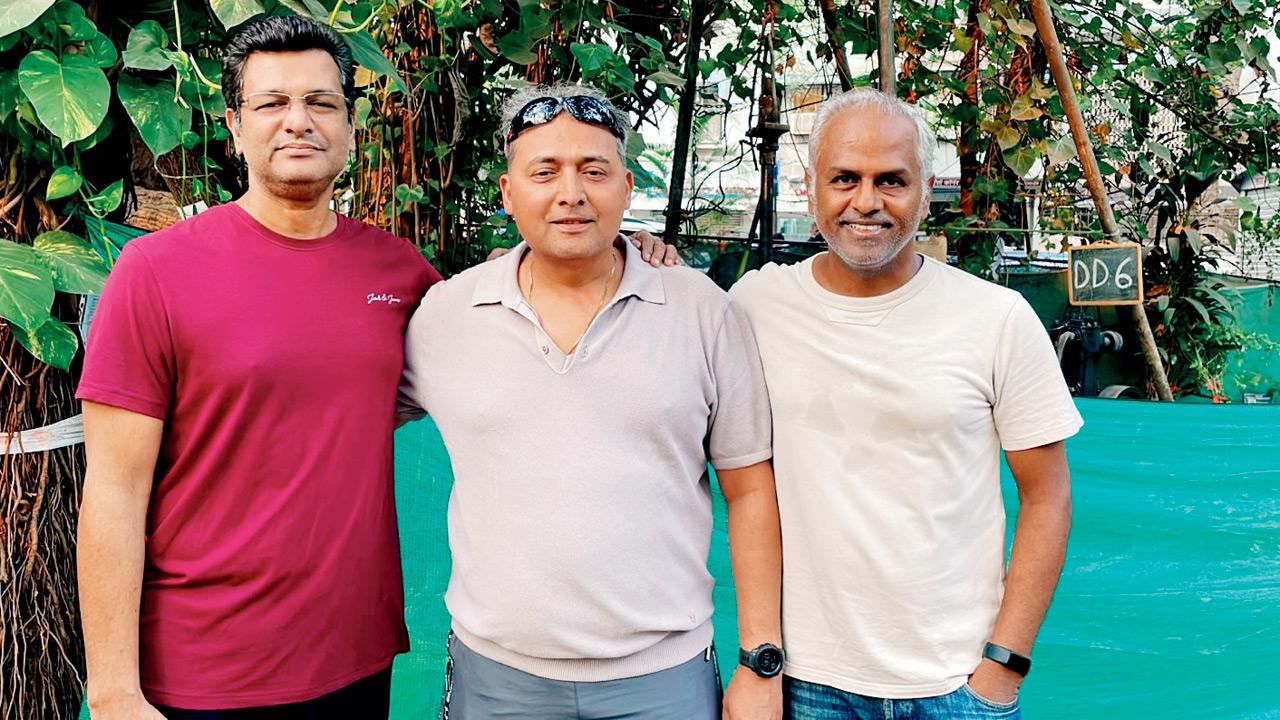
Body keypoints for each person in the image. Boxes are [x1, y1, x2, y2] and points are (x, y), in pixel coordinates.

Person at [75, 16, 442, 719]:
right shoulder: (154, 272)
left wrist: (626, 254)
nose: (298, 122)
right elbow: (115, 488)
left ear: (350, 125)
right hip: (202, 669)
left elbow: (509, 327)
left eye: (321, 102)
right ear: (235, 126)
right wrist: (116, 689)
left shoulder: (400, 273)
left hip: (353, 660)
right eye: (272, 103)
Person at [397, 85, 784, 720]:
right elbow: (344, 411)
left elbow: (749, 489)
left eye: (594, 171)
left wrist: (760, 660)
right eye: (544, 172)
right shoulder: (448, 314)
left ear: (627, 188)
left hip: (664, 678)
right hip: (497, 678)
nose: (570, 193)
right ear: (507, 192)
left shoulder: (700, 309)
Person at [728, 87, 1082, 719]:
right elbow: (648, 304)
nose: (866, 202)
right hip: (808, 683)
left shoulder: (996, 317)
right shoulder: (755, 305)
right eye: (844, 178)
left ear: (925, 190)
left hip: (957, 687)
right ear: (811, 188)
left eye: (891, 180)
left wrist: (1004, 665)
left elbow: (1047, 495)